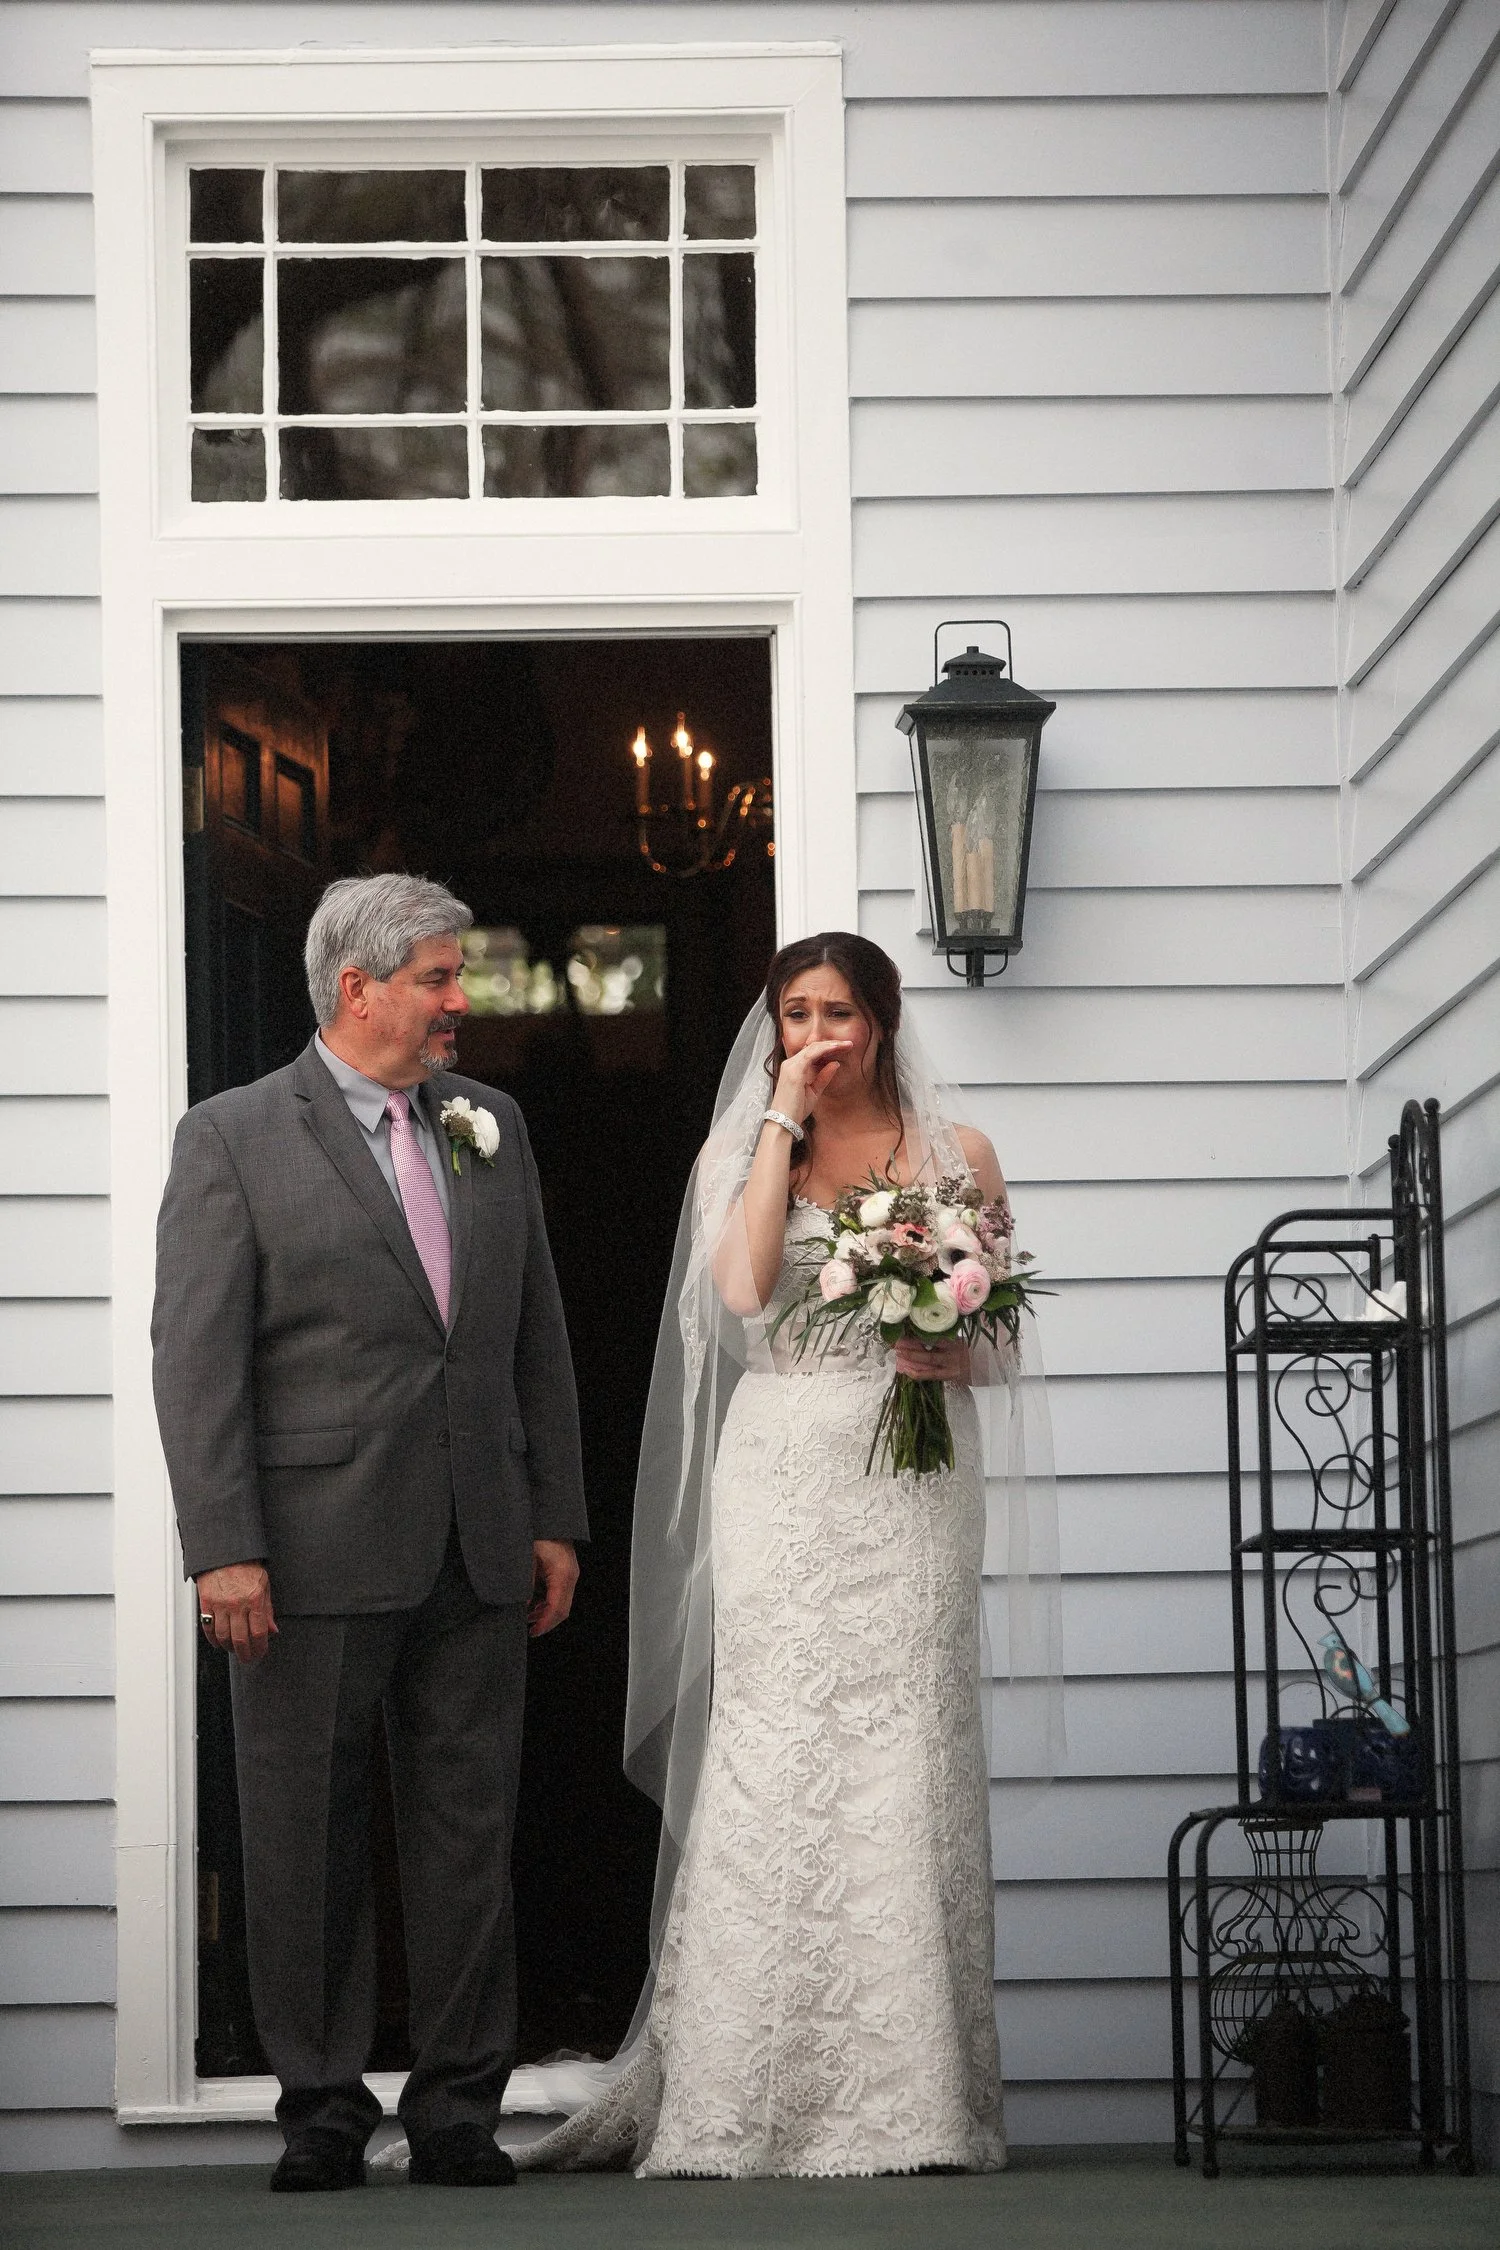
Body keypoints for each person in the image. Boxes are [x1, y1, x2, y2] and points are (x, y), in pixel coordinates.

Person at [506, 930, 1062, 2179]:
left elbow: (1001, 1332)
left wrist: (947, 1343)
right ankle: (744, 2088)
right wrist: (775, 1126)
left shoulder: (956, 1156)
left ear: (883, 1019)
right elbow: (749, 1290)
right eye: (799, 1012)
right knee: (779, 1735)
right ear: (779, 1027)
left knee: (906, 1738)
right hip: (788, 1467)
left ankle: (916, 2099)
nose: (821, 1033)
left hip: (916, 1473)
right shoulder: (743, 1151)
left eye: (842, 1011)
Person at [152, 873, 587, 2193]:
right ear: (360, 986)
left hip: (480, 1537)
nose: (465, 1001)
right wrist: (223, 1543)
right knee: (305, 1837)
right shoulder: (231, 1135)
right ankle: (323, 2109)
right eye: (442, 978)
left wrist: (556, 1515)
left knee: (467, 1829)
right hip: (304, 1548)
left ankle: (460, 2108)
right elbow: (195, 1356)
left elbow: (534, 1337)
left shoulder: (488, 1122)